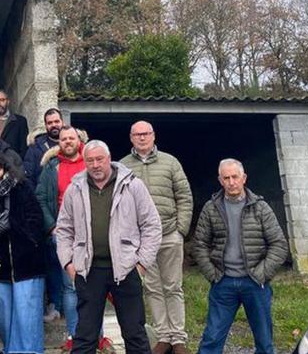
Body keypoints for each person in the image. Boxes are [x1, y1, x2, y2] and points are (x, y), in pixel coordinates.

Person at [55, 140, 162, 354]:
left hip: (126, 268)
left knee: (134, 333)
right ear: (84, 162)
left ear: (109, 158)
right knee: (85, 336)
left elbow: (152, 225)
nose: (95, 165)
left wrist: (141, 264)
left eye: (99, 159)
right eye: (90, 160)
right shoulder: (75, 189)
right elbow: (64, 229)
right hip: (88, 270)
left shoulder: (132, 185)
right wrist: (69, 264)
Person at [193, 159, 288, 354]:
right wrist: (213, 274)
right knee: (211, 338)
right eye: (226, 178)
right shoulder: (211, 208)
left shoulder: (260, 208)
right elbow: (200, 244)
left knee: (264, 341)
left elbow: (279, 244)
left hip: (254, 282)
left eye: (235, 177)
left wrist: (262, 273)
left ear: (244, 178)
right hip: (223, 283)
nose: (231, 182)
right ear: (220, 180)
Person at [120, 121, 193, 354]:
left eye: (146, 133)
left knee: (173, 286)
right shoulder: (122, 167)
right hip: (142, 241)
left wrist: (181, 229)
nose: (142, 138)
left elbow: (184, 196)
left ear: (153, 136)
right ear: (131, 138)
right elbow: (119, 204)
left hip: (170, 233)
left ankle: (178, 337)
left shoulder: (170, 162)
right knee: (152, 287)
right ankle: (163, 337)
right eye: (137, 134)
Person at [0, 153, 47, 354]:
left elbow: (35, 217)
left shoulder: (20, 187)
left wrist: (26, 237)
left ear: (5, 169)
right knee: (4, 313)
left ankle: (30, 350)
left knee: (27, 312)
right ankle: (11, 349)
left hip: (26, 260)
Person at [34, 126, 88, 345]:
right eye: (64, 139)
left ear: (78, 140)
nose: (67, 142)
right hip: (64, 234)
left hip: (93, 234)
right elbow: (40, 197)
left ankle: (97, 335)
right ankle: (75, 335)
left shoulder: (91, 161)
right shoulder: (51, 167)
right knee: (70, 285)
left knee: (94, 285)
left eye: (71, 138)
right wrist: (51, 227)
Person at [23, 108, 64, 187]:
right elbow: (28, 177)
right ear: (45, 125)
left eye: (57, 121)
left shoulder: (72, 144)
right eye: (50, 123)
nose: (54, 125)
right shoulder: (35, 147)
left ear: (62, 122)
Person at [0, 88, 29, 158]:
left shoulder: (20, 121)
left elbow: (24, 148)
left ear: (8, 101)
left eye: (2, 100)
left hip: (14, 165)